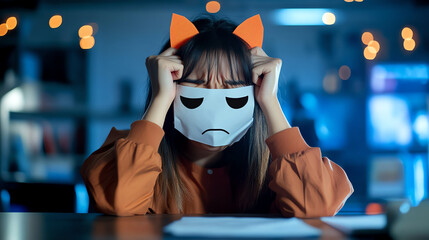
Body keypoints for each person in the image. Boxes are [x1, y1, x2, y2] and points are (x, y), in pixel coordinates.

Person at [80, 13, 354, 217]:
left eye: (232, 90)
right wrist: (160, 97)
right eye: (197, 89)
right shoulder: (129, 154)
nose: (215, 103)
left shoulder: (279, 168)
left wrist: (270, 101)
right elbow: (120, 202)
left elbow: (318, 206)